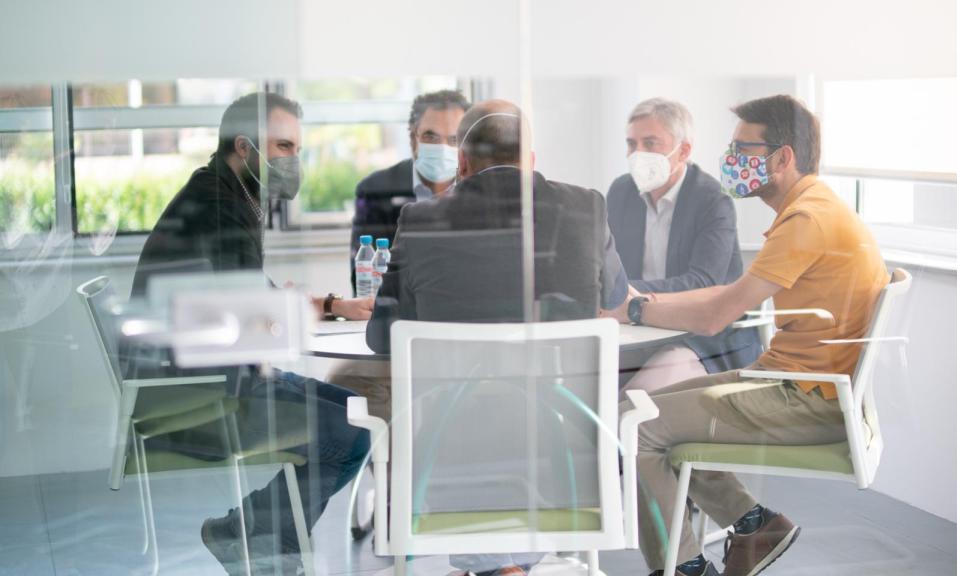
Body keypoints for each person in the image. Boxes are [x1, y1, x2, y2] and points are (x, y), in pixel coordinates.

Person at [612, 95, 889, 576]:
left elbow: (717, 314)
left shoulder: (805, 220)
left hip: (806, 398)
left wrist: (634, 306)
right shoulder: (814, 207)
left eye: (743, 149)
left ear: (783, 158)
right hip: (798, 384)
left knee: (635, 426)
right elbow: (730, 294)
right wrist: (640, 305)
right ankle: (753, 523)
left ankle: (683, 568)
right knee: (640, 412)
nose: (730, 160)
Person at [357, 99, 629, 576]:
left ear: (461, 163)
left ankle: (497, 566)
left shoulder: (421, 221)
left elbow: (381, 336)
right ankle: (508, 565)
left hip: (450, 457)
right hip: (565, 456)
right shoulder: (587, 206)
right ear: (532, 160)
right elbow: (615, 294)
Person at [127, 92, 371, 575]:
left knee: (352, 411)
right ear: (244, 146)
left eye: (297, 149)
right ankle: (256, 540)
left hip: (209, 379)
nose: (293, 161)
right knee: (351, 435)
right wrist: (295, 314)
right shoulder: (219, 208)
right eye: (283, 147)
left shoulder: (223, 193)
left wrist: (327, 305)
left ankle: (247, 534)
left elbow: (249, 296)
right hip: (193, 399)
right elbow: (255, 317)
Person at [607, 97, 760, 393]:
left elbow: (704, 282)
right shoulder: (621, 192)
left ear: (684, 150)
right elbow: (608, 265)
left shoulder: (712, 200)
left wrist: (628, 298)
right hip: (636, 328)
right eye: (631, 144)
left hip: (704, 335)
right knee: (588, 394)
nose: (638, 153)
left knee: (636, 398)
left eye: (651, 143)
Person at [349, 89, 470, 288]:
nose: (442, 147)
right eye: (431, 137)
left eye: (454, 139)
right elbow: (364, 275)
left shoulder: (479, 190)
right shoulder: (376, 191)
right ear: (413, 138)